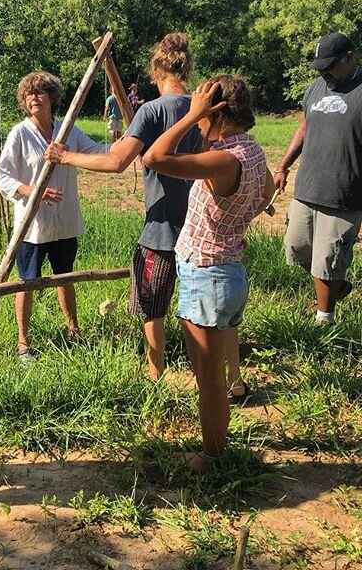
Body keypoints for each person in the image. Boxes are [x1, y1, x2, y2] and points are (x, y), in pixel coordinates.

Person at [46, 34, 201, 382]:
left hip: (162, 229)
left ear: (154, 72)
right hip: (200, 228)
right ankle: (207, 370)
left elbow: (116, 161)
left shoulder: (154, 110)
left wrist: (64, 155)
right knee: (197, 307)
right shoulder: (200, 109)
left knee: (152, 307)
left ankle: (155, 372)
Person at [143, 76, 273, 470]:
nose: (196, 122)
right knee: (213, 377)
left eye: (201, 113)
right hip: (227, 271)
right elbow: (267, 189)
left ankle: (211, 457)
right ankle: (214, 449)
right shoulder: (250, 151)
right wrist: (236, 221)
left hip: (207, 277)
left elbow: (154, 157)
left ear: (216, 113)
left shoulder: (222, 160)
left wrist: (189, 118)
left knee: (210, 383)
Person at [0, 71, 105, 363]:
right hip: (33, 226)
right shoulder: (20, 133)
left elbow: (97, 152)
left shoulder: (67, 131)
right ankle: (23, 344)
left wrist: (128, 145)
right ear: (23, 100)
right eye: (29, 93)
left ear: (53, 97)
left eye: (41, 92)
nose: (34, 97)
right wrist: (33, 191)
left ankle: (74, 330)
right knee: (26, 282)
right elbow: (3, 176)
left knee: (65, 277)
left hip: (64, 221)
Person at [274, 32, 362, 326]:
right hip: (308, 186)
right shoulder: (317, 88)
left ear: (350, 58)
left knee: (328, 260)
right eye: (320, 66)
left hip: (345, 193)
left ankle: (324, 323)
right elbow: (303, 128)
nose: (324, 72)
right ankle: (337, 287)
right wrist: (283, 166)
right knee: (296, 248)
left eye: (330, 65)